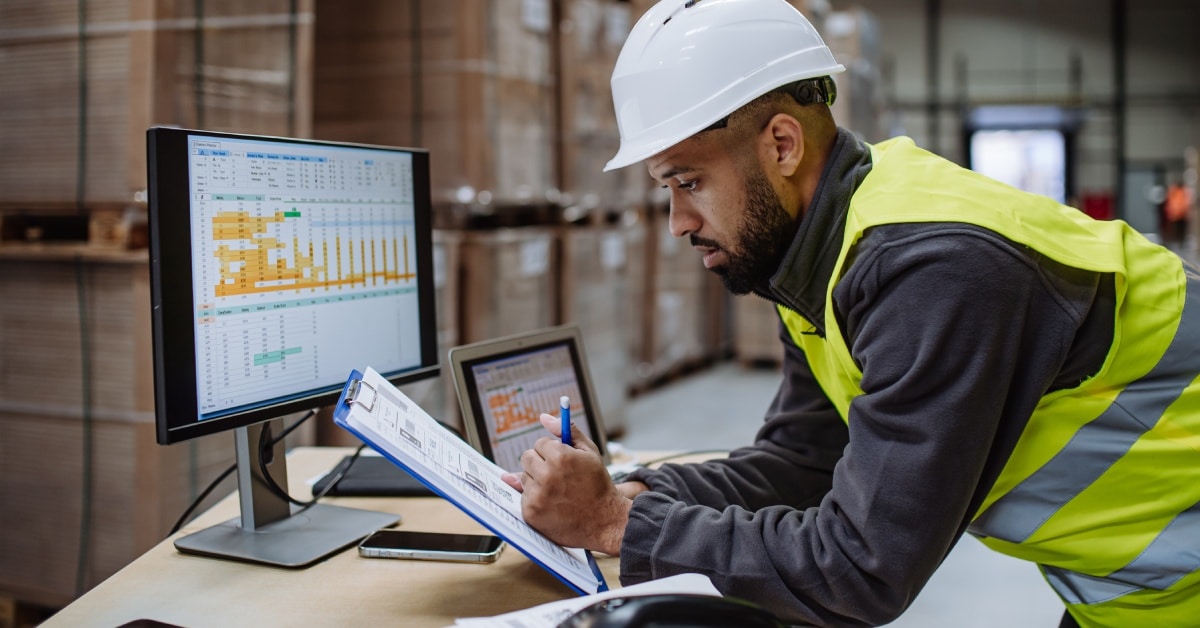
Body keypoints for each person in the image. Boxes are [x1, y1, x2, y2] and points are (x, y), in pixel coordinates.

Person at [500, 1, 1200, 625]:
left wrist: (618, 523)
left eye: (689, 182)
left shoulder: (934, 270)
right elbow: (805, 462)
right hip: (1135, 591)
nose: (678, 222)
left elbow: (861, 568)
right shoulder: (821, 254)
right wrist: (639, 491)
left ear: (781, 144)